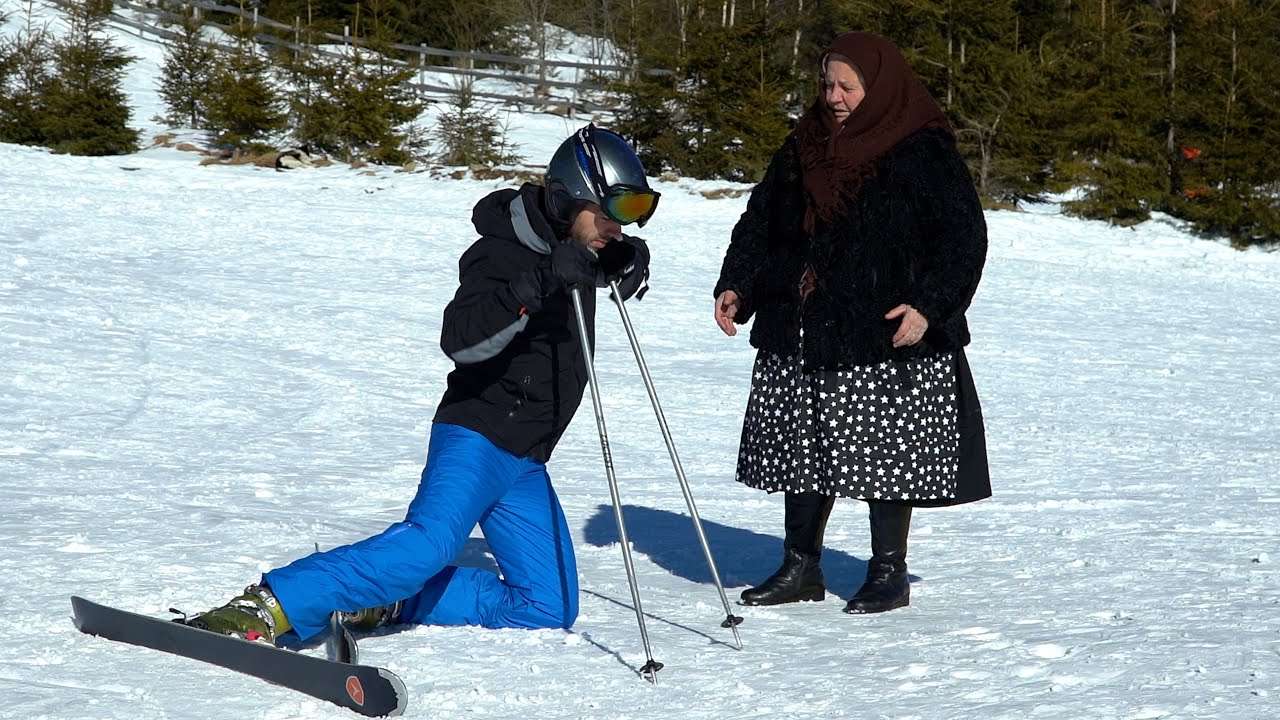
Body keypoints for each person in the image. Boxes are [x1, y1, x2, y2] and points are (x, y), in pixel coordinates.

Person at [186, 124, 660, 643]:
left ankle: (385, 600)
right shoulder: (499, 255)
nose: (620, 225)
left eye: (635, 210)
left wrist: (626, 259)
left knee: (547, 604)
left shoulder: (580, 246)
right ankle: (270, 605)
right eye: (614, 210)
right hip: (478, 435)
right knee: (427, 546)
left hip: (527, 458)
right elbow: (461, 341)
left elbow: (589, 259)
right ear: (569, 200)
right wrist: (542, 280)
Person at [713, 32, 991, 615]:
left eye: (848, 85)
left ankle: (888, 573)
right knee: (801, 446)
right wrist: (738, 283)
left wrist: (928, 305)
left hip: (885, 333)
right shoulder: (802, 144)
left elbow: (964, 238)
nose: (834, 96)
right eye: (827, 84)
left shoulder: (921, 150)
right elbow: (762, 220)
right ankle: (800, 566)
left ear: (879, 86)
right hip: (802, 326)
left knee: (883, 455)